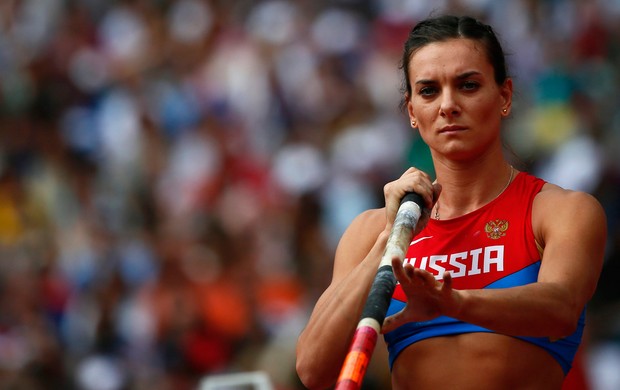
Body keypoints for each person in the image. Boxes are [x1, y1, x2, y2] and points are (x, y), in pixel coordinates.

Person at [295, 14, 607, 390]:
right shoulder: (371, 231)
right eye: (428, 91)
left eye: (468, 85)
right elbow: (314, 370)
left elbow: (561, 310)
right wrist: (389, 240)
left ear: (504, 95)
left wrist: (453, 303)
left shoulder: (560, 211)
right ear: (412, 111)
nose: (448, 105)